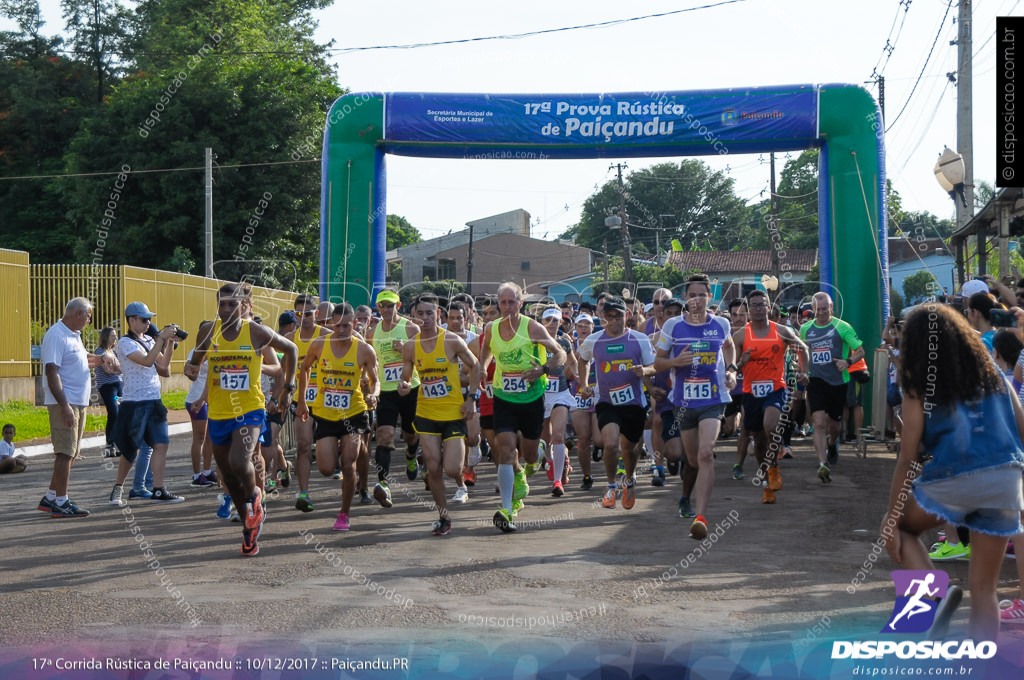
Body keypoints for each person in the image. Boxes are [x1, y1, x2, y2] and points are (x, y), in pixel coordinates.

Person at [881, 303, 1024, 641]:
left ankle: (933, 595)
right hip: (1006, 481)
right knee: (985, 590)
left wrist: (891, 514)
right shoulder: (993, 374)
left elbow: (908, 456)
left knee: (900, 530)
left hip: (955, 477)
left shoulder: (919, 383)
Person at [187, 283, 297, 555]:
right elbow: (196, 362)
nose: (226, 309)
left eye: (232, 304)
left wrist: (289, 386)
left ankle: (256, 500)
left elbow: (291, 349)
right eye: (221, 304)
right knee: (228, 476)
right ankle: (249, 526)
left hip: (249, 410)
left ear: (245, 305)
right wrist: (192, 370)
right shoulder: (208, 331)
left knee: (240, 461)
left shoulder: (256, 332)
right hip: (220, 412)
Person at [477, 282, 566, 532]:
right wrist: (484, 366)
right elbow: (485, 350)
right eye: (502, 302)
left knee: (528, 455)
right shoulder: (491, 327)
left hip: (531, 399)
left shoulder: (532, 327)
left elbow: (560, 354)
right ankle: (507, 509)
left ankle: (536, 450)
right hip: (504, 397)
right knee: (504, 450)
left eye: (511, 302)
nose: (507, 307)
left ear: (521, 304)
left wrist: (543, 369)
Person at [653, 274, 738, 539]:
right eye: (693, 295)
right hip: (683, 402)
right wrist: (676, 362)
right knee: (691, 459)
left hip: (714, 399)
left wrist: (732, 370)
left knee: (705, 453)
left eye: (703, 295)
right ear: (686, 298)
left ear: (709, 297)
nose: (698, 300)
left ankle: (701, 517)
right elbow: (658, 363)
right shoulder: (673, 327)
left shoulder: (721, 323)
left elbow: (729, 346)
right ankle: (685, 496)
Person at [397, 294, 478, 534]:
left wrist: (471, 399)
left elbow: (476, 367)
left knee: (452, 468)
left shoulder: (452, 340)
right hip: (426, 413)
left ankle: (460, 482)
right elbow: (406, 375)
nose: (424, 318)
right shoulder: (410, 346)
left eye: (429, 313)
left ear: (438, 315)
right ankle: (443, 516)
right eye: (419, 313)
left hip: (453, 412)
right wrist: (403, 385)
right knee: (433, 468)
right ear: (413, 316)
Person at [295, 303, 377, 532]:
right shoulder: (319, 345)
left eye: (347, 325)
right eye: (338, 325)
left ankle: (344, 514)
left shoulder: (363, 350)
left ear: (355, 324)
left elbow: (374, 379)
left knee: (348, 464)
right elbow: (305, 369)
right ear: (331, 323)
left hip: (354, 412)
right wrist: (302, 402)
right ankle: (359, 450)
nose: (342, 330)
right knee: (326, 468)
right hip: (326, 414)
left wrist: (374, 394)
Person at [577, 297, 655, 510]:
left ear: (626, 316)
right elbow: (582, 359)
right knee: (611, 444)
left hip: (634, 403)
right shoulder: (594, 340)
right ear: (603, 319)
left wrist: (645, 371)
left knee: (630, 448)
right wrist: (584, 383)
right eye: (609, 317)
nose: (614, 321)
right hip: (606, 401)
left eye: (618, 316)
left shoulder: (639, 339)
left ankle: (629, 480)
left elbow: (653, 366)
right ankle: (611, 485)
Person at [732, 290, 809, 504]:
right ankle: (767, 481)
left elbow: (802, 349)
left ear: (769, 307)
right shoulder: (740, 336)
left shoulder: (782, 331)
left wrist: (805, 372)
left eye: (761, 304)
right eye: (754, 305)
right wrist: (741, 363)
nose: (758, 308)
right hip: (750, 393)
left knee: (772, 425)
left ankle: (774, 467)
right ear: (748, 310)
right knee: (758, 443)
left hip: (776, 388)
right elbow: (732, 370)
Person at [107, 302, 184, 507]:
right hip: (134, 402)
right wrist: (161, 338)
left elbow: (163, 366)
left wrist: (168, 343)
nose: (148, 322)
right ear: (131, 320)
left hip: (154, 399)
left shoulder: (150, 339)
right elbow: (147, 361)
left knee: (161, 444)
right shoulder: (125, 342)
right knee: (130, 450)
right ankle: (118, 487)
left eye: (149, 318)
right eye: (144, 319)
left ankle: (158, 489)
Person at [39, 297, 100, 518]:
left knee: (72, 452)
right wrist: (64, 405)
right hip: (65, 402)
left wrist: (100, 361)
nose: (89, 321)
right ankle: (61, 503)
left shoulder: (73, 335)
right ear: (78, 314)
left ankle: (51, 497)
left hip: (77, 401)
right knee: (65, 453)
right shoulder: (57, 335)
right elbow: (51, 371)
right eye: (89, 316)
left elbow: (80, 361)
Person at [799, 292, 865, 482]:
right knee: (819, 422)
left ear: (831, 307)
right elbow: (803, 353)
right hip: (816, 380)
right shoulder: (806, 329)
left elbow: (860, 350)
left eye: (824, 309)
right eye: (817, 309)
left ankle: (833, 442)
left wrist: (848, 361)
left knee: (834, 425)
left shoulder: (842, 327)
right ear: (812, 309)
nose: (821, 313)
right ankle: (822, 463)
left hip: (838, 381)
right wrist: (803, 371)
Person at [367, 289, 420, 505]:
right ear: (377, 308)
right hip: (386, 391)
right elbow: (369, 359)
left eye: (390, 305)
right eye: (382, 306)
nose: (386, 309)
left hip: (409, 387)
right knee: (384, 436)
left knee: (410, 434)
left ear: (398, 306)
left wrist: (406, 350)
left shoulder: (410, 328)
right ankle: (384, 484)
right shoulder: (372, 331)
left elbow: (425, 355)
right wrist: (366, 379)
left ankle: (410, 455)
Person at [284, 294, 329, 513]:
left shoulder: (327, 336)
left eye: (308, 314)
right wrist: (282, 395)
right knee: (303, 446)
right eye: (299, 314)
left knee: (325, 454)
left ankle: (357, 483)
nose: (304, 318)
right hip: (301, 400)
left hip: (328, 400)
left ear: (317, 314)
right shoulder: (290, 339)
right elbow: (284, 370)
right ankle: (303, 493)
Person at [539, 306, 578, 497]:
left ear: (560, 322)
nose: (551, 324)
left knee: (559, 437)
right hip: (540, 395)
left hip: (560, 393)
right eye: (548, 320)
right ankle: (555, 462)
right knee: (546, 440)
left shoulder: (564, 342)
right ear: (541, 322)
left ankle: (557, 482)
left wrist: (573, 376)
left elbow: (573, 362)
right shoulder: (535, 342)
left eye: (555, 320)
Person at [569, 313, 602, 490]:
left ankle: (599, 447)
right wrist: (572, 361)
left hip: (598, 393)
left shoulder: (600, 343)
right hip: (579, 395)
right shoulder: (571, 346)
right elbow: (567, 374)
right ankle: (587, 476)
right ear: (575, 329)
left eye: (586, 325)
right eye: (580, 325)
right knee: (583, 438)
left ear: (592, 327)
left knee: (598, 438)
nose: (583, 328)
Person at [183, 342, 216, 488]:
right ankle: (197, 476)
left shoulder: (218, 350)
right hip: (196, 400)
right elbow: (192, 374)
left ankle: (207, 472)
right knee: (199, 438)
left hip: (212, 399)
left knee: (210, 438)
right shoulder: (195, 352)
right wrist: (190, 370)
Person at [94, 327, 122, 458]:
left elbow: (120, 367)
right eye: (112, 336)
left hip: (118, 385)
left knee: (120, 412)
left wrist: (118, 369)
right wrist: (119, 369)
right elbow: (108, 370)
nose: (115, 338)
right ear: (106, 337)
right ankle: (110, 444)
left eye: (116, 336)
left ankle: (119, 443)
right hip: (107, 386)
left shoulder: (114, 352)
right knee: (114, 412)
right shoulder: (100, 352)